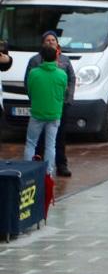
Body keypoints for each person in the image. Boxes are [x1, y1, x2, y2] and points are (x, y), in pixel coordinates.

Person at [23, 42, 68, 175]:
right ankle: (48, 173)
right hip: (54, 113)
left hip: (37, 112)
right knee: (51, 145)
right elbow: (63, 93)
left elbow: (30, 91)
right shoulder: (62, 74)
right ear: (56, 57)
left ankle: (27, 171)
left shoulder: (34, 73)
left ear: (41, 57)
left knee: (31, 143)